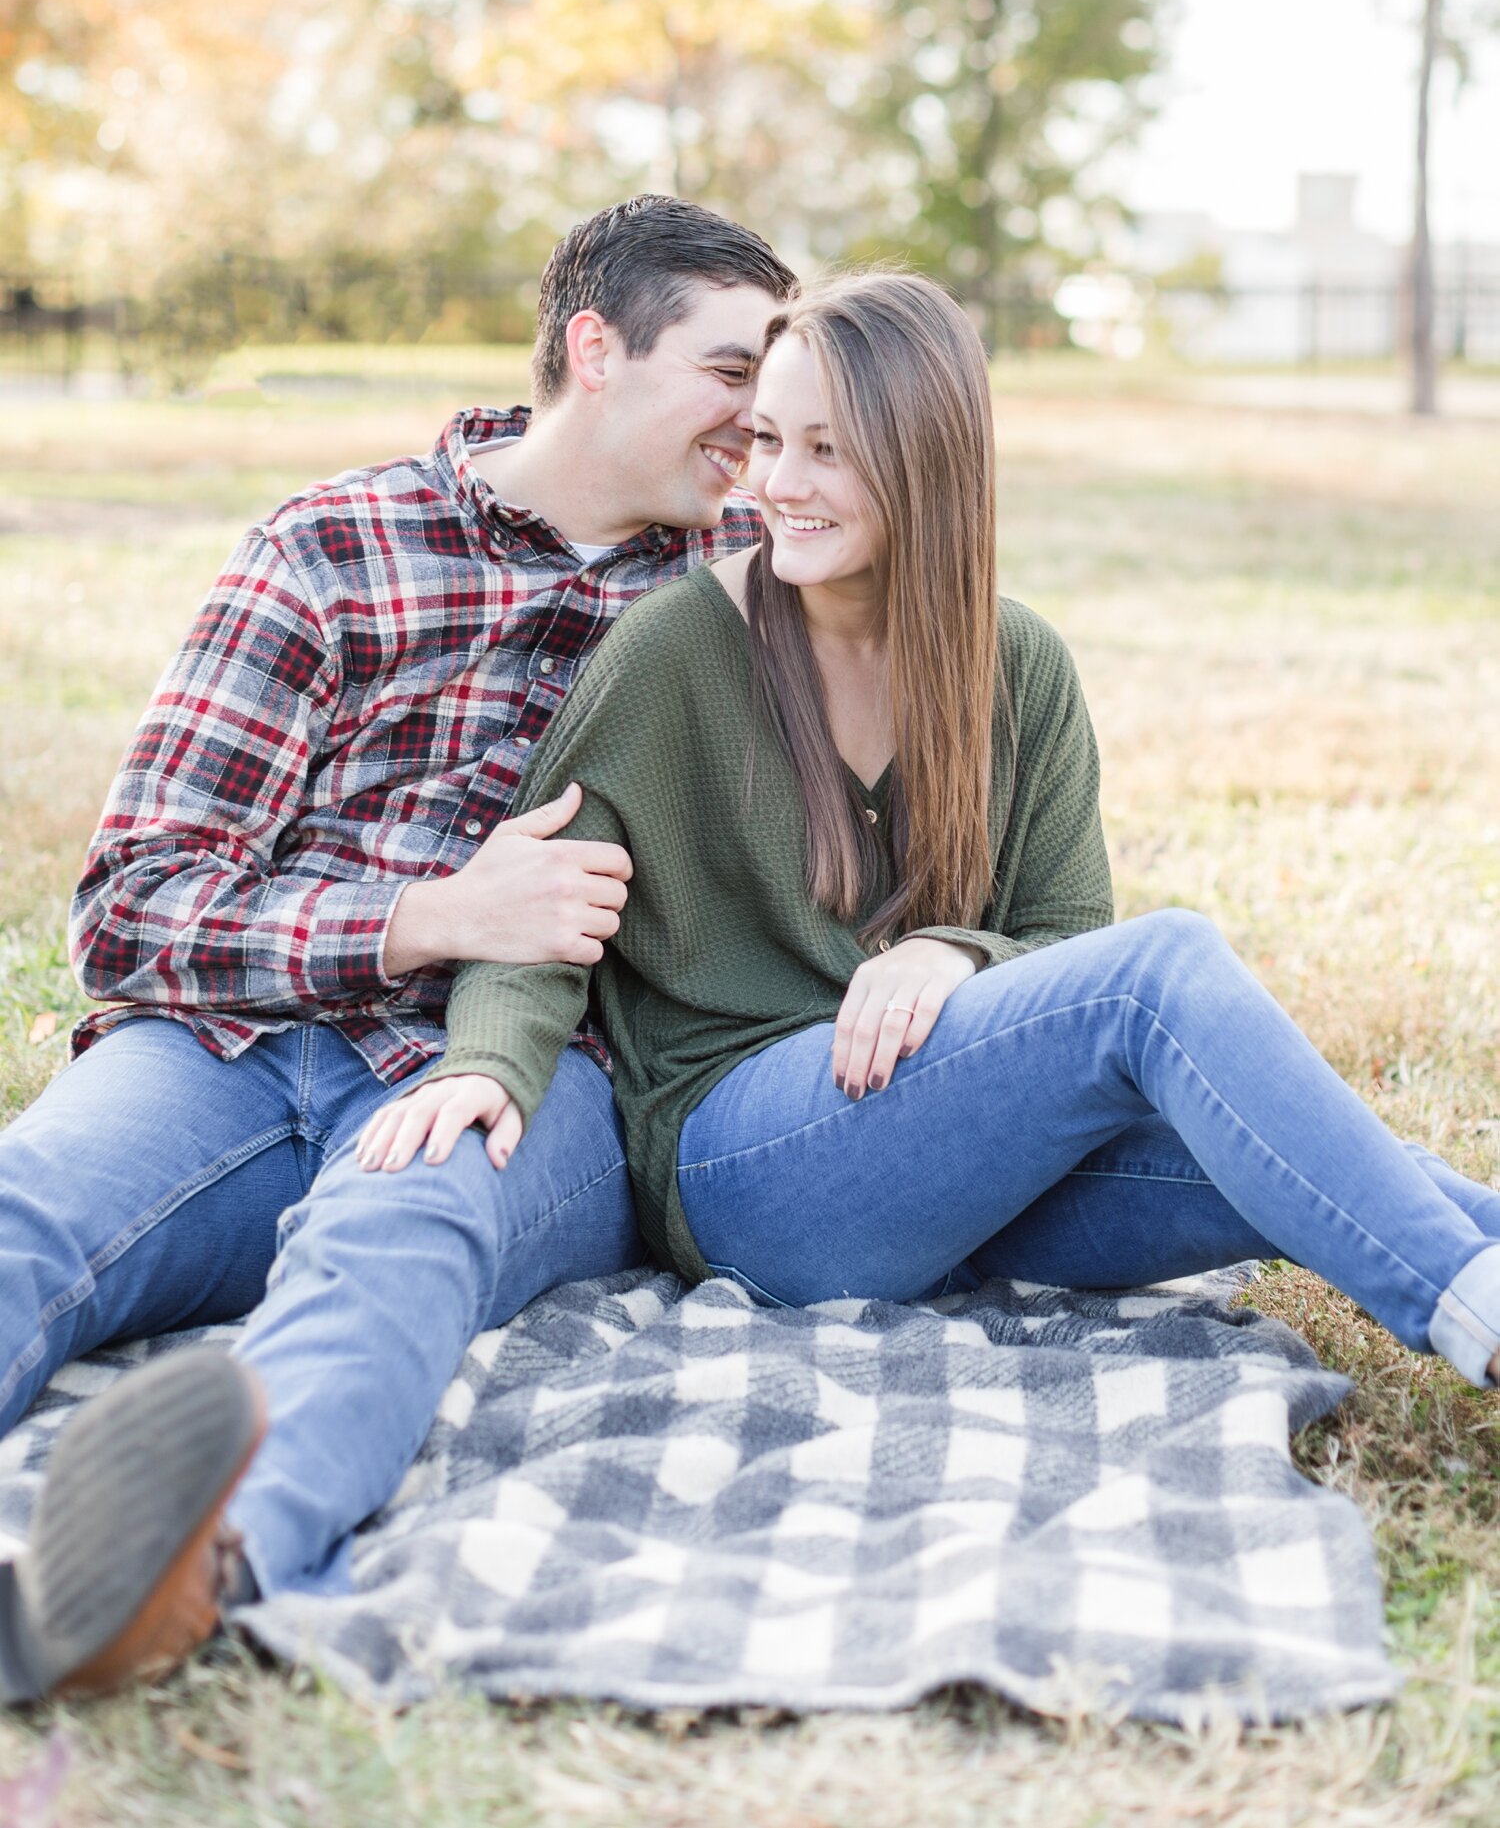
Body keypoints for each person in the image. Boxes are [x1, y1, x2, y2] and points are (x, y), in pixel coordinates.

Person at [371, 270, 1500, 1380]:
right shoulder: (672, 656)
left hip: (954, 1173)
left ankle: (1473, 1277)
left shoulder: (1017, 665)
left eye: (827, 447)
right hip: (752, 1177)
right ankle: (1474, 1320)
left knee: (1308, 1155)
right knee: (1162, 968)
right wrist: (486, 1064)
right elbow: (542, 914)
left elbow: (1060, 930)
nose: (778, 481)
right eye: (766, 439)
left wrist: (952, 949)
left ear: (926, 457)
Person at [0, 194, 799, 1704]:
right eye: (730, 370)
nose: (764, 419)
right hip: (233, 1054)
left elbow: (943, 693)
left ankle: (184, 1577)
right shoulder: (335, 546)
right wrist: (433, 915)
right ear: (595, 350)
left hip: (512, 1069)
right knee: (32, 1204)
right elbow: (131, 905)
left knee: (391, 1244)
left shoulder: (755, 579)